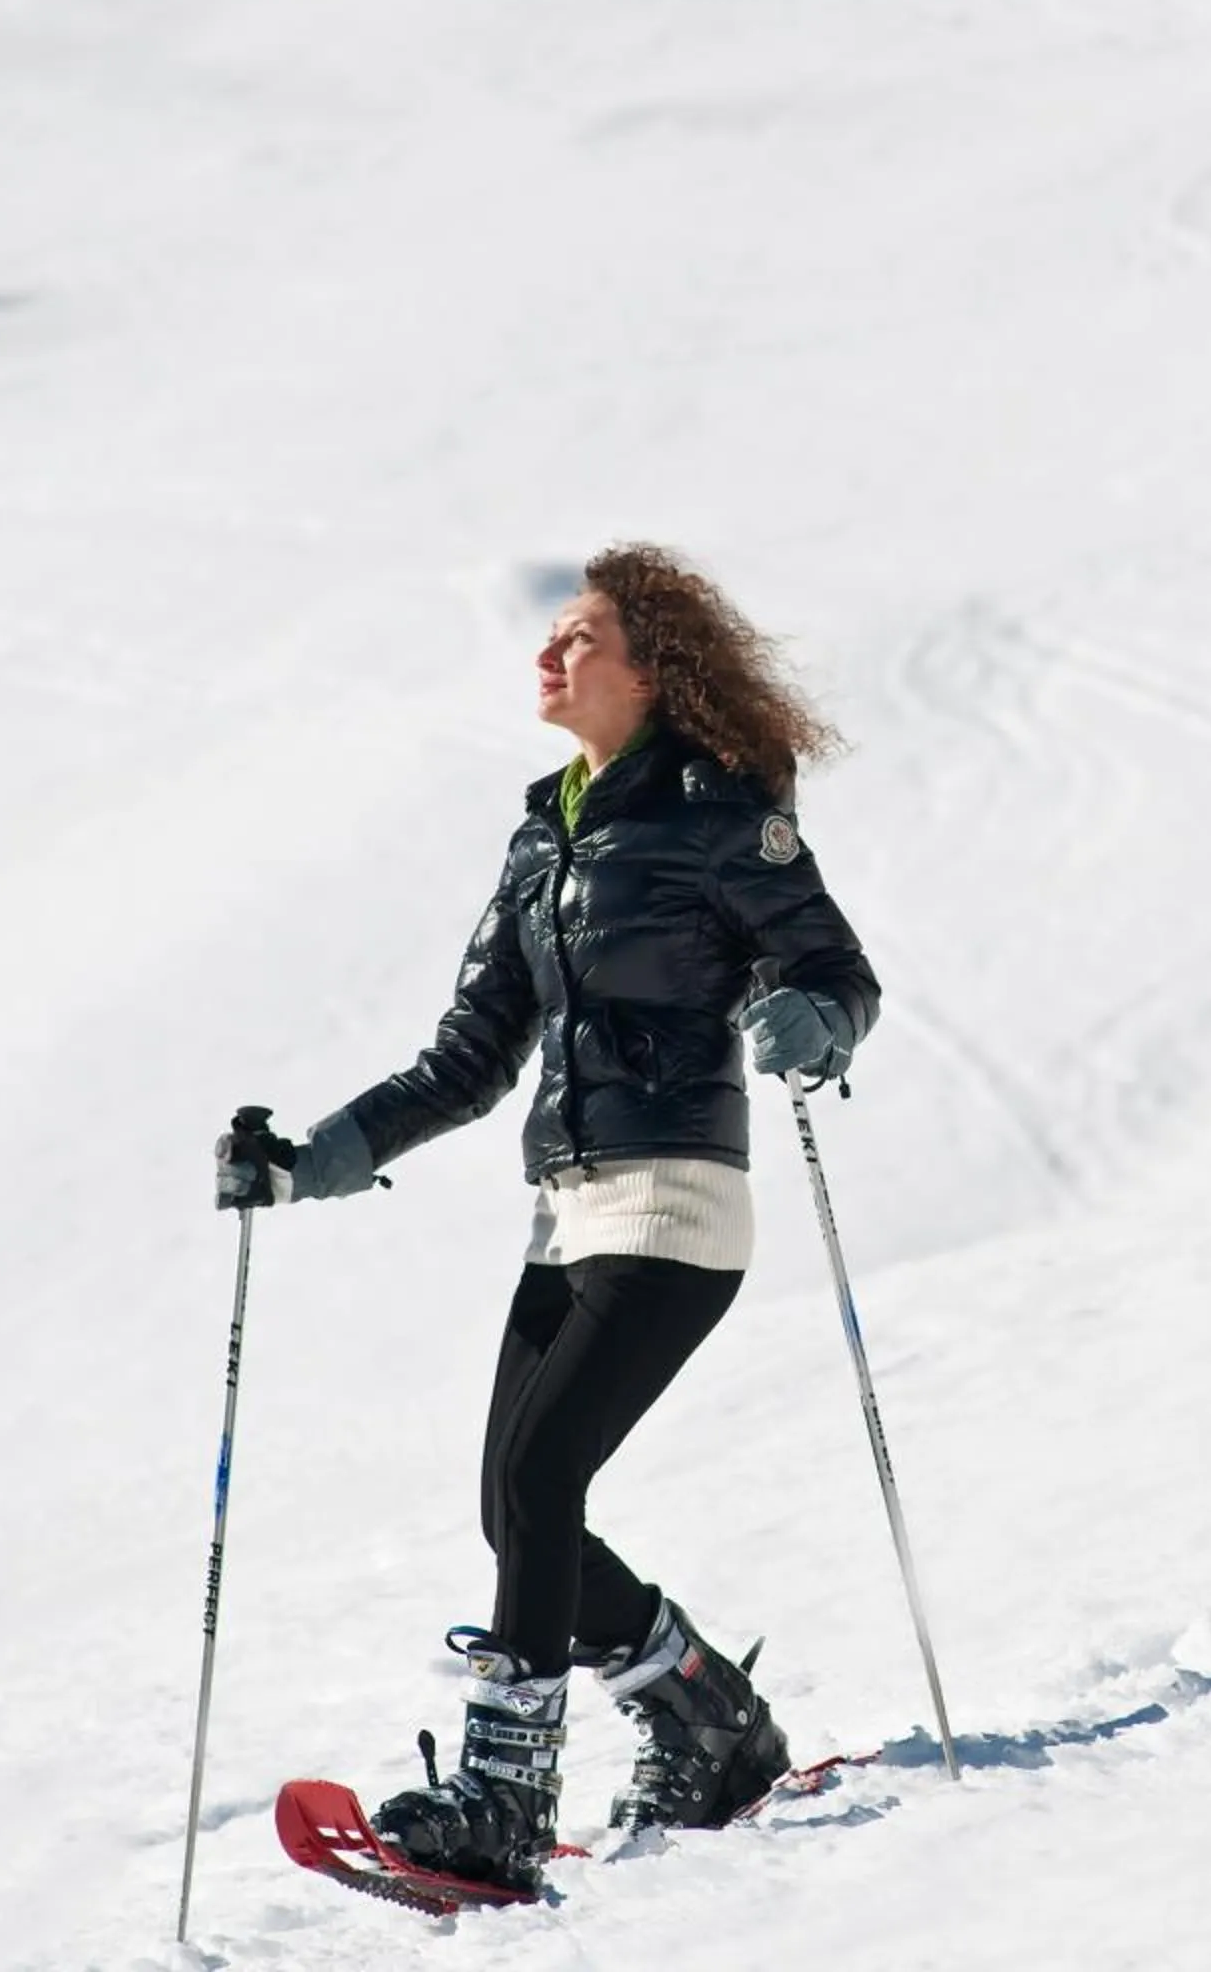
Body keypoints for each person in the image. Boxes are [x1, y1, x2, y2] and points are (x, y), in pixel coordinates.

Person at [215, 545, 880, 1891]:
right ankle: (704, 1717)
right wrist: (309, 1164)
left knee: (538, 1483)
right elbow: (468, 1054)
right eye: (554, 637)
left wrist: (808, 1021)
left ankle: (505, 1804)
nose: (550, 656)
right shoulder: (543, 838)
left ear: (650, 672)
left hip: (677, 1202)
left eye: (580, 640)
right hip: (566, 1214)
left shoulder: (717, 817)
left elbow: (832, 968)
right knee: (513, 1514)